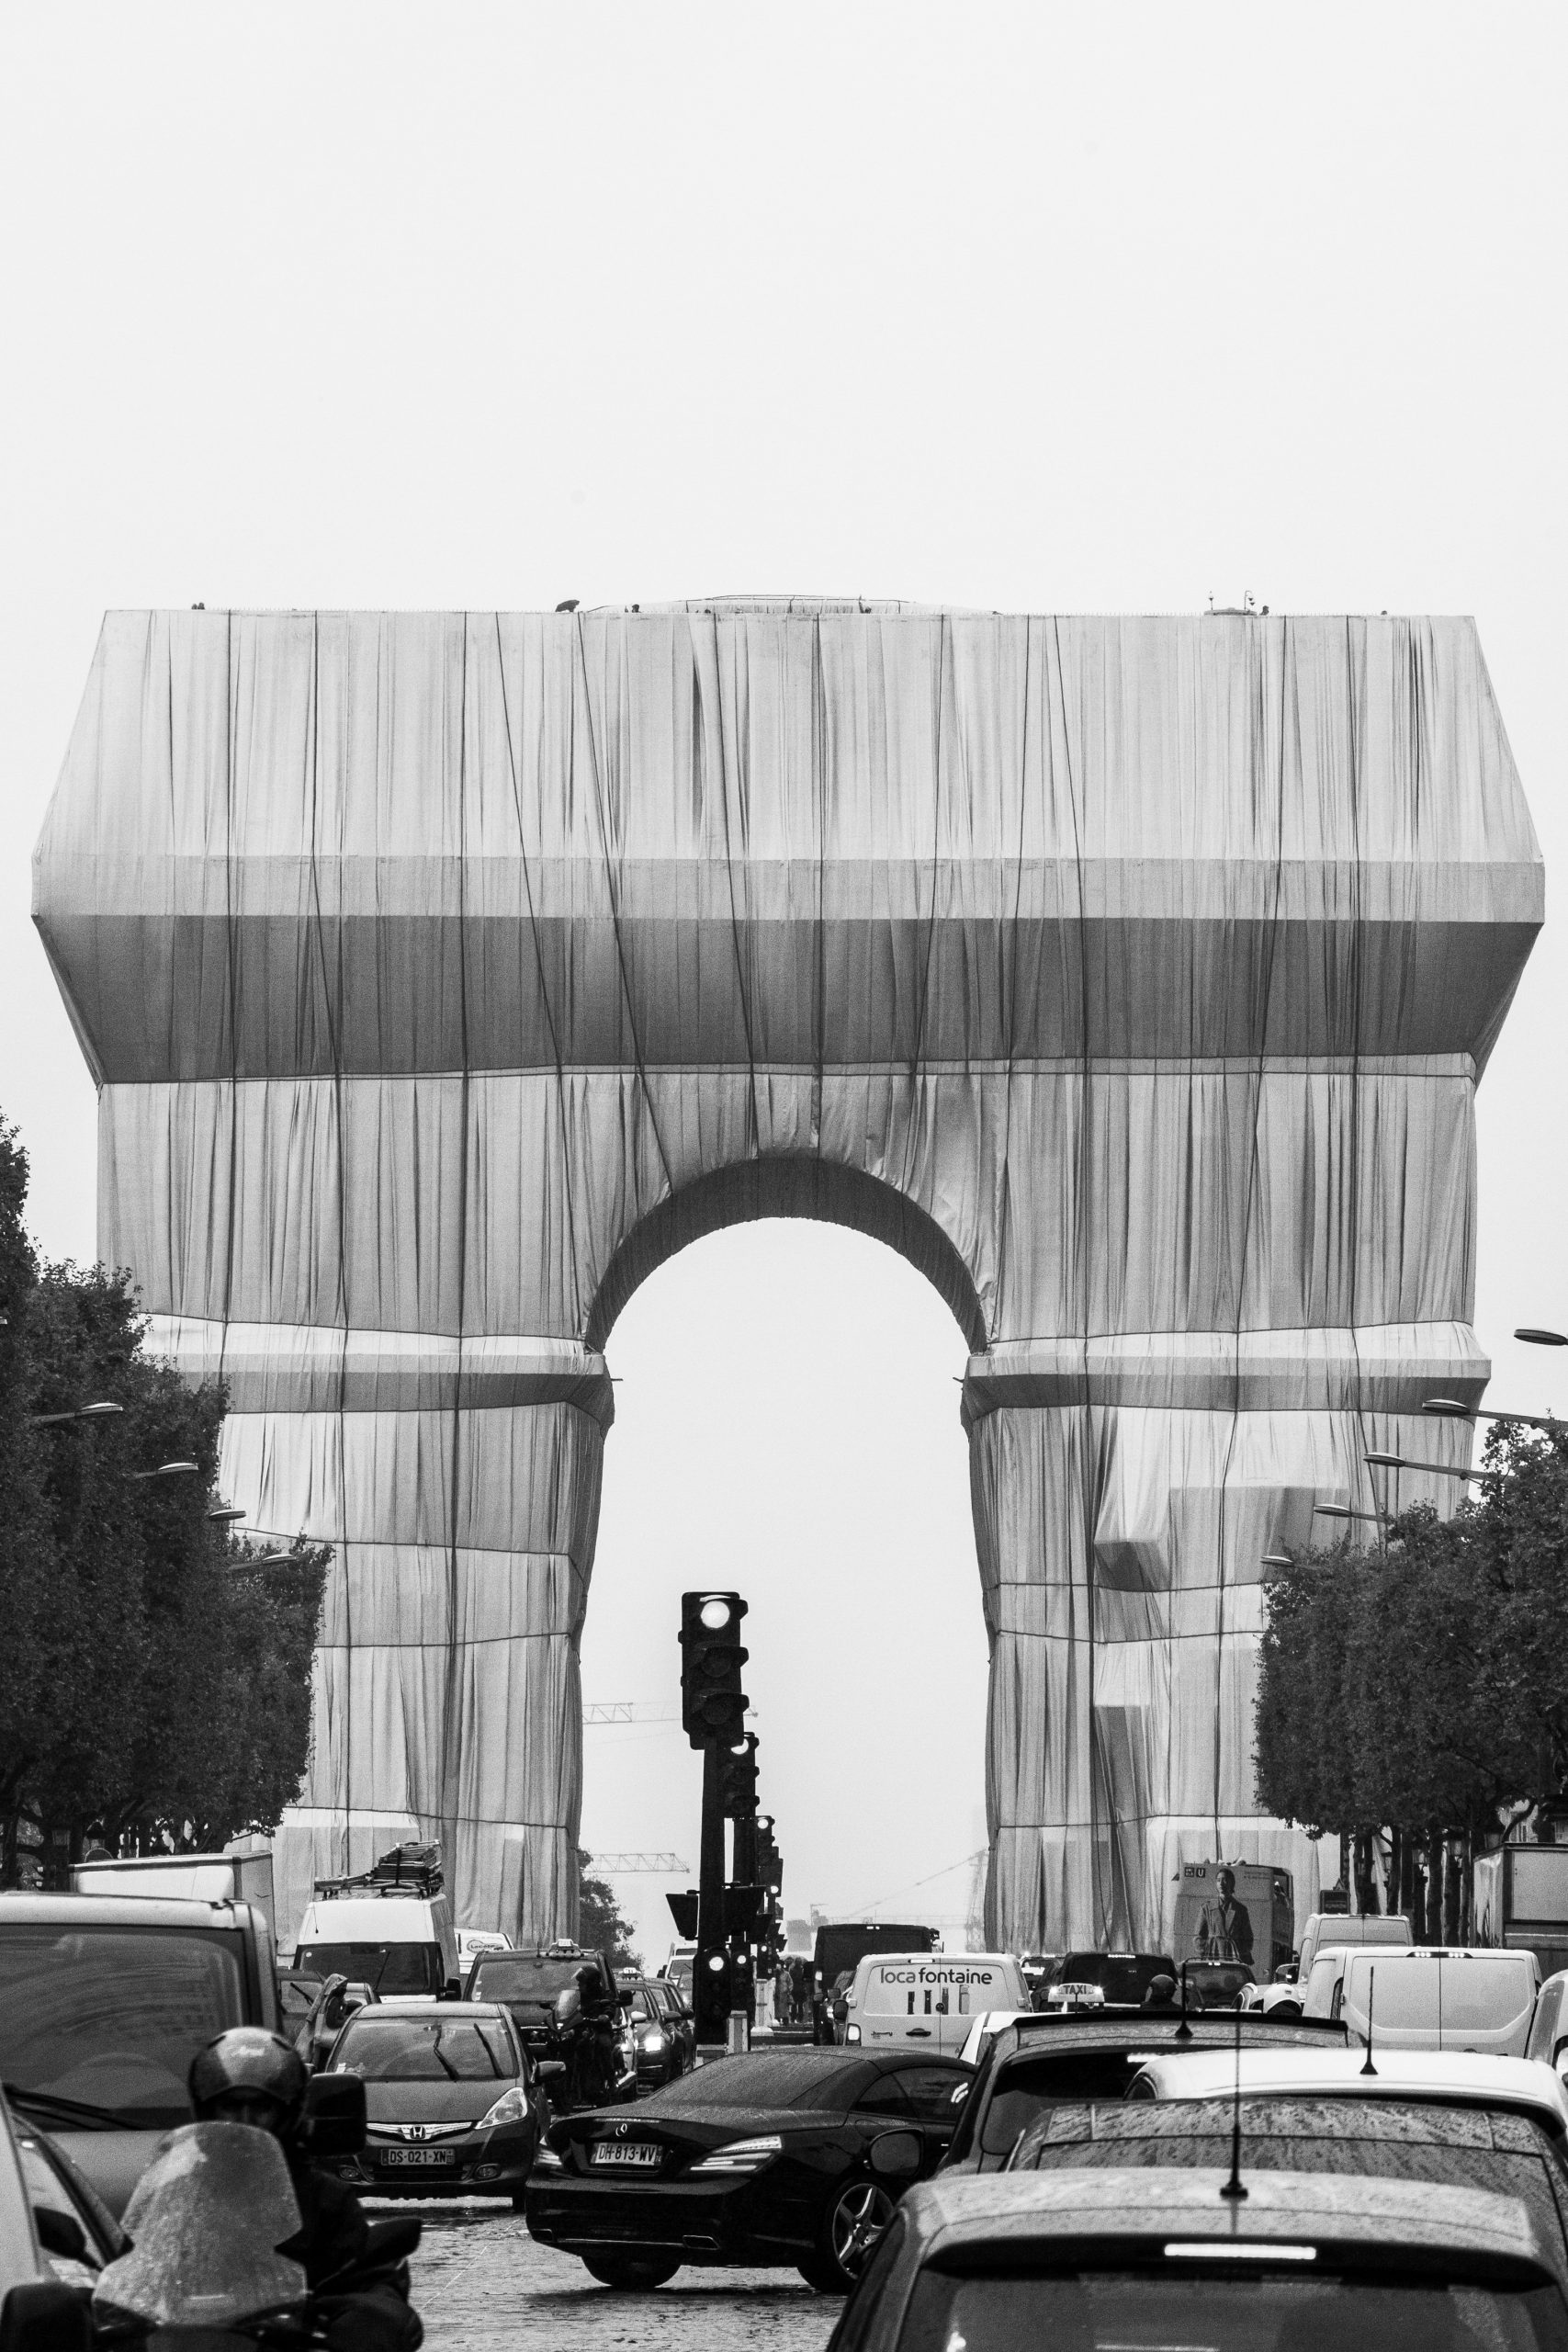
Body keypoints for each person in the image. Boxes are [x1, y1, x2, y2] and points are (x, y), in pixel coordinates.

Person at [188, 2028, 422, 2352]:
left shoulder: (326, 2200)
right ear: (207, 2112)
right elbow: (132, 2279)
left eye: (261, 2108)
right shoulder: (182, 2198)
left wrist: (358, 2323)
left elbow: (371, 2285)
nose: (245, 2121)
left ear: (288, 2114)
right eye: (230, 2106)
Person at [1197, 1868, 1255, 1965]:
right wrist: (1205, 1950)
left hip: (1233, 1957)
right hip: (1212, 1956)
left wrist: (1239, 1951)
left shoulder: (1240, 1910)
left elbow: (1248, 1938)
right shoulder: (1206, 1908)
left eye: (1225, 1880)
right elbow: (1198, 1936)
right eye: (1218, 1880)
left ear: (1232, 1883)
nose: (1221, 1883)